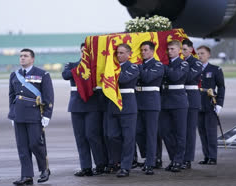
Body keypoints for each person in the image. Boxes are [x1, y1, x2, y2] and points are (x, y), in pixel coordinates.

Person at [8, 48, 54, 186]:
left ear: (32, 59)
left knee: (36, 143)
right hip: (19, 115)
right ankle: (26, 175)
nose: (22, 58)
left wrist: (47, 115)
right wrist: (12, 113)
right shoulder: (14, 75)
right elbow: (12, 96)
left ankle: (44, 169)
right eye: (21, 56)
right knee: (22, 146)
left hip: (35, 114)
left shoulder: (42, 74)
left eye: (25, 56)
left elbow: (49, 96)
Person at [62, 43, 106, 177]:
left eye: (86, 52)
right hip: (76, 106)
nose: (83, 54)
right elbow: (65, 75)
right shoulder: (72, 65)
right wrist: (81, 68)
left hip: (92, 104)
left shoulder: (96, 67)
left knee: (92, 136)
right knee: (80, 137)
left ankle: (100, 164)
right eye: (82, 51)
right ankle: (85, 166)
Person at [106, 44, 140, 177]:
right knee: (112, 135)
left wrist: (110, 73)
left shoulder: (133, 67)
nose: (118, 55)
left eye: (121, 53)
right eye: (117, 53)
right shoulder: (112, 67)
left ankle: (126, 166)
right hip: (113, 105)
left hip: (128, 106)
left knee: (128, 137)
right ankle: (118, 161)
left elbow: (123, 79)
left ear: (129, 54)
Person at [159, 40, 189, 172]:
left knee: (180, 132)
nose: (169, 51)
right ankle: (173, 158)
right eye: (168, 49)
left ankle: (179, 160)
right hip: (165, 101)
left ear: (179, 50)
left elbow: (176, 76)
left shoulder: (183, 63)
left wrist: (163, 67)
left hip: (178, 102)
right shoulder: (166, 64)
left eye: (172, 49)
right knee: (165, 132)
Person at [136, 41, 164, 175]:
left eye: (146, 50)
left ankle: (150, 163)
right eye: (141, 50)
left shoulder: (157, 65)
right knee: (139, 132)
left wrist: (139, 68)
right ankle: (148, 156)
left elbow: (147, 78)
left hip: (152, 103)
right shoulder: (140, 65)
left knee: (151, 133)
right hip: (139, 101)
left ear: (152, 51)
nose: (143, 52)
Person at [197, 45, 225, 165]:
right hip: (198, 103)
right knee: (202, 132)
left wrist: (219, 103)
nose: (200, 56)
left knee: (211, 132)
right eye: (198, 53)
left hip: (210, 103)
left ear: (209, 55)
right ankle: (206, 156)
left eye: (202, 53)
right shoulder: (195, 69)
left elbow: (221, 87)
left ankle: (213, 157)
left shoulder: (215, 69)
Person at [181, 39, 203, 169]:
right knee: (179, 130)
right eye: (181, 49)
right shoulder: (178, 62)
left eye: (184, 49)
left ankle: (188, 159)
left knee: (189, 130)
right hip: (179, 97)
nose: (182, 52)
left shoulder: (196, 63)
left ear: (190, 49)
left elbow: (188, 77)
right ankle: (179, 157)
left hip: (191, 98)